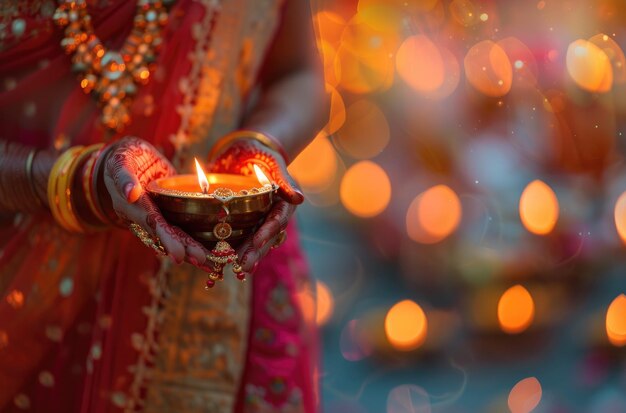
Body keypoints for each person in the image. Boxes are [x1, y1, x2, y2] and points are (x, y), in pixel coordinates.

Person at [0, 0, 328, 412]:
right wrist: (78, 180)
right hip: (24, 305)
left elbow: (300, 74)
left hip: (229, 282)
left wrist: (262, 146)